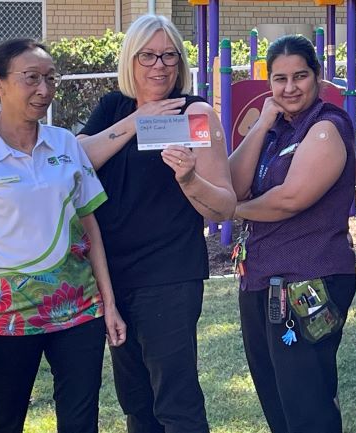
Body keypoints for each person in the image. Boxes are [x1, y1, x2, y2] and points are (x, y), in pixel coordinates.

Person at [0, 39, 126, 433]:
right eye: (31, 78)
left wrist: (107, 304)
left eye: (50, 78)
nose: (44, 90)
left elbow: (90, 226)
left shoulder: (65, 144)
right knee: (3, 423)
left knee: (81, 424)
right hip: (5, 318)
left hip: (78, 312)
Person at [76, 14, 236, 433]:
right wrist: (138, 119)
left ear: (180, 61)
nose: (159, 65)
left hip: (169, 277)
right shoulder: (113, 107)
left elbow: (223, 206)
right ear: (131, 59)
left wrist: (189, 178)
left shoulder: (196, 112)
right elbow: (79, 160)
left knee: (176, 403)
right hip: (115, 280)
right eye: (148, 55)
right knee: (136, 404)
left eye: (169, 55)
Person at [228, 34, 356, 433]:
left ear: (316, 76)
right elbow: (232, 181)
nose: (289, 87)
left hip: (309, 280)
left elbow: (290, 198)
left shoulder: (327, 127)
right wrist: (263, 121)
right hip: (260, 280)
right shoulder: (274, 131)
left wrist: (234, 211)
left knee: (308, 407)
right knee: (276, 402)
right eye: (279, 79)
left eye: (300, 76)